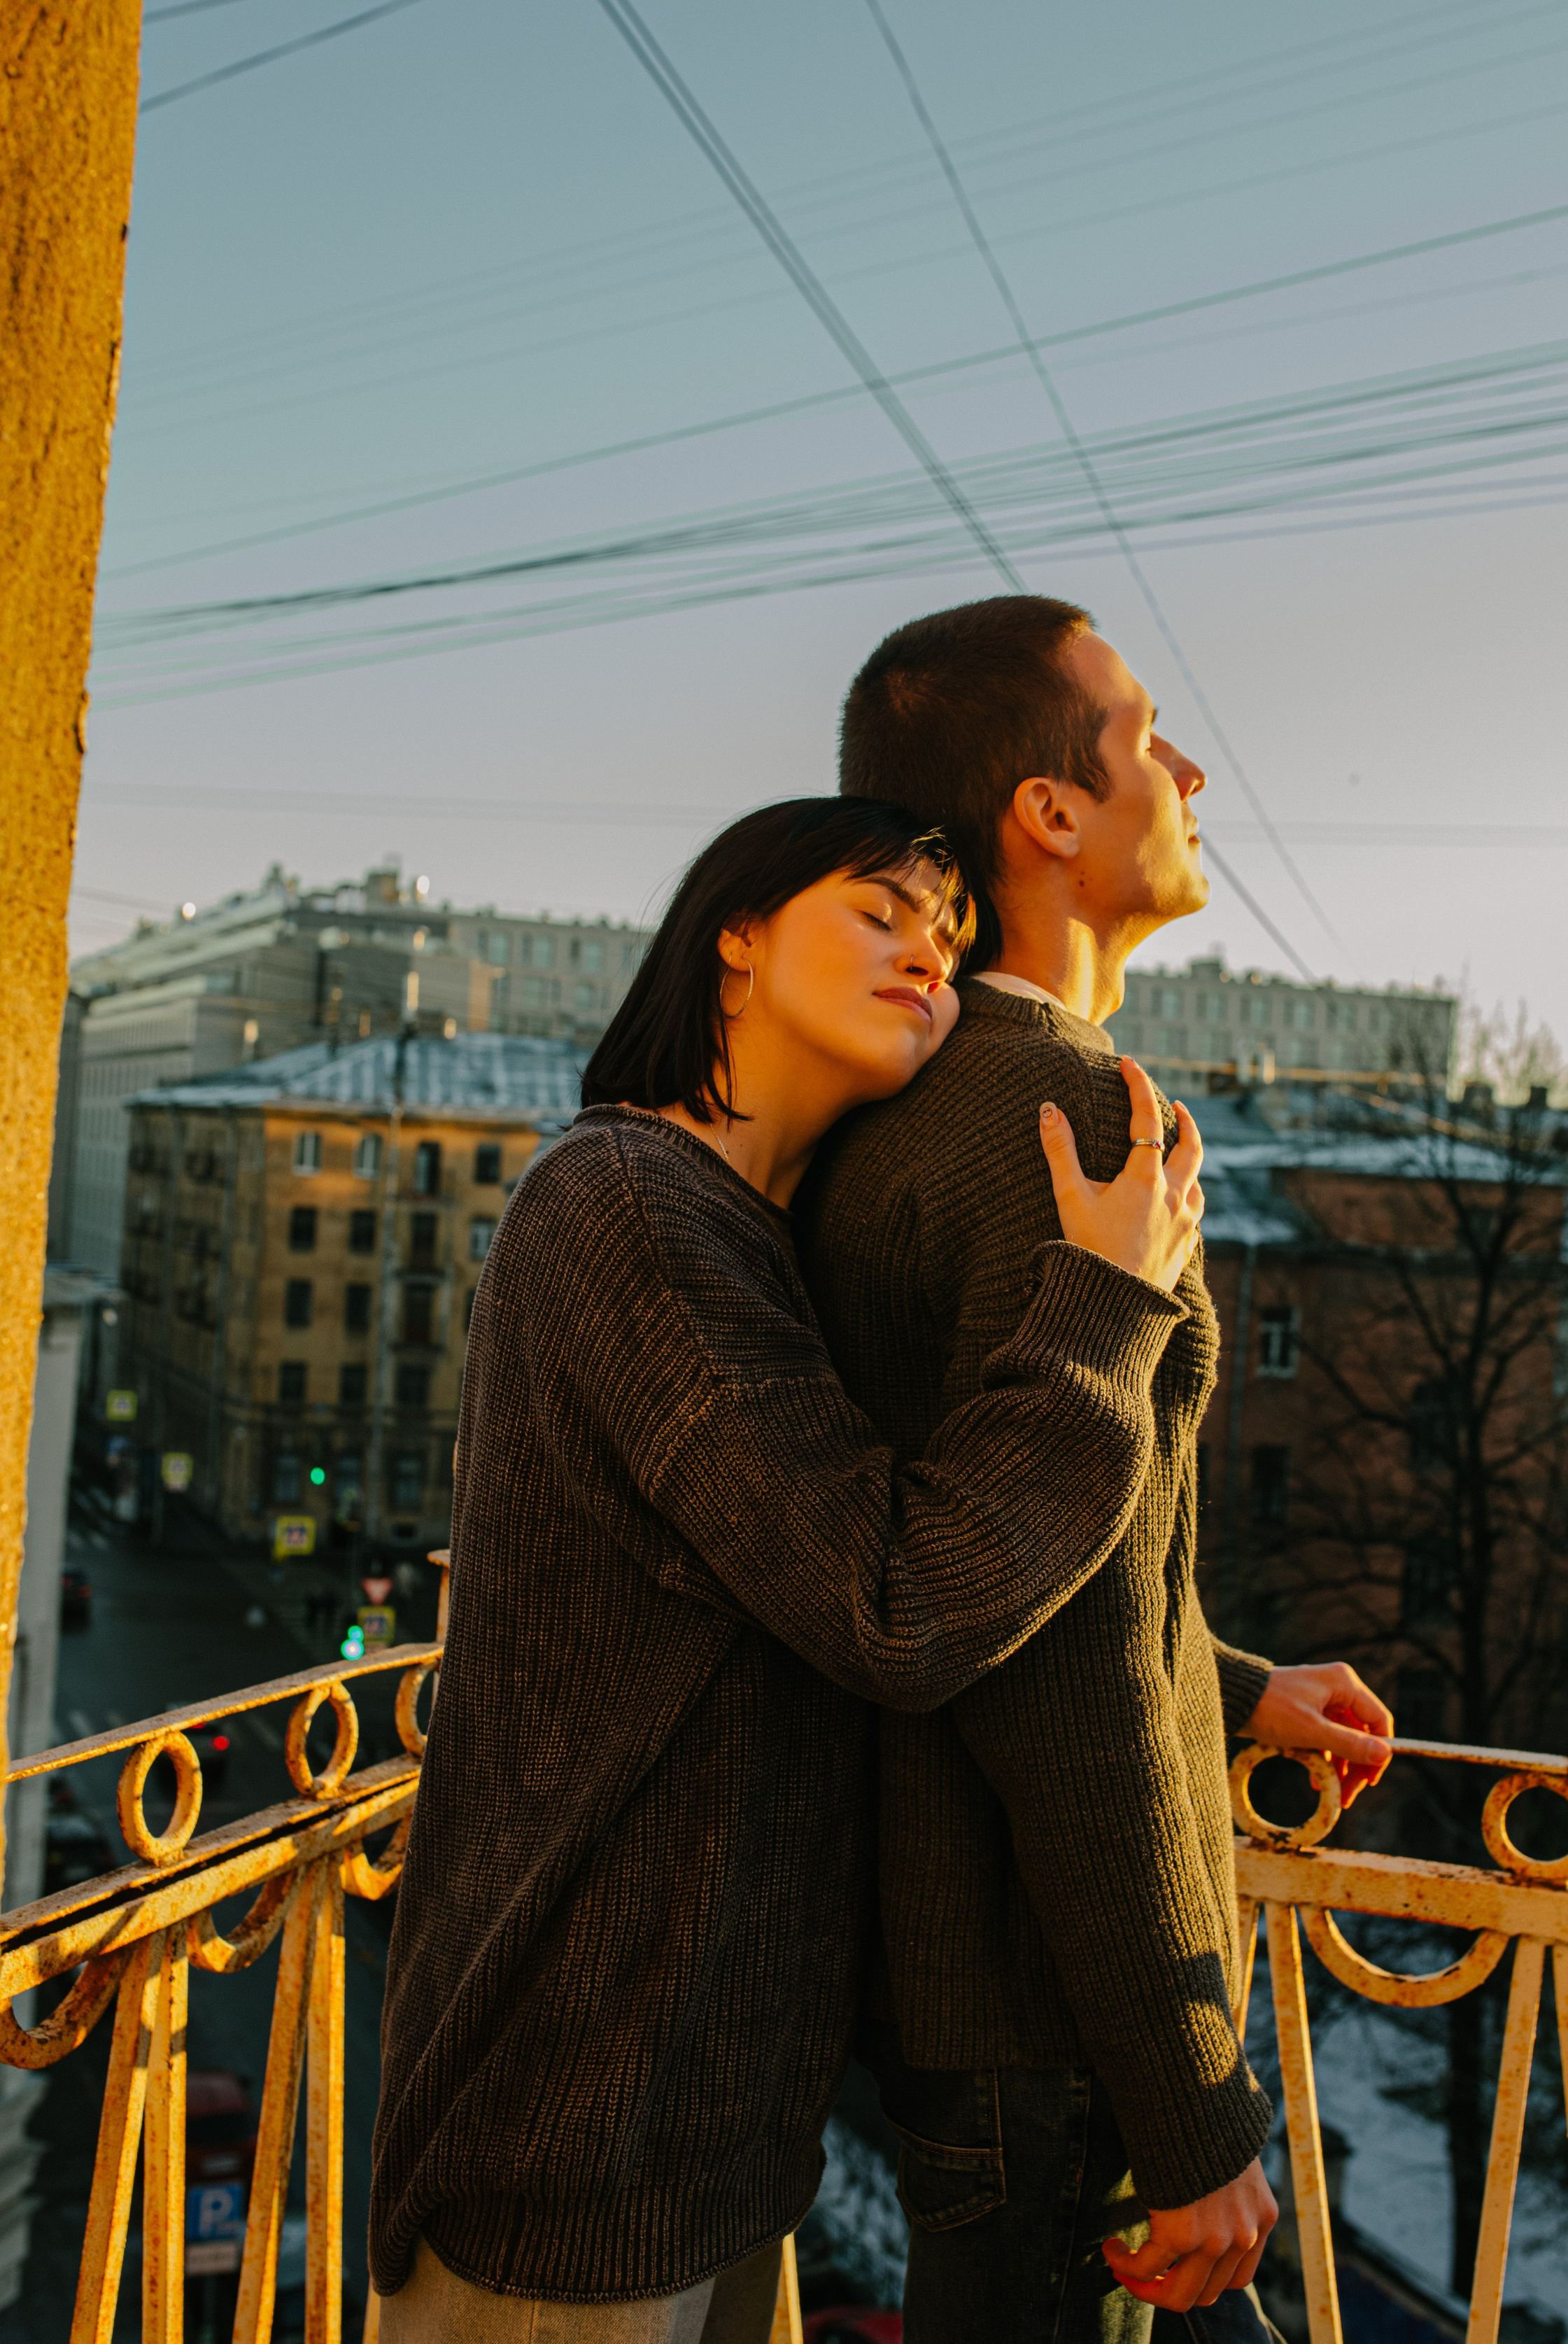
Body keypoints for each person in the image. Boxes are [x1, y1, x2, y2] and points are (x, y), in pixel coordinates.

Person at [370, 795, 1216, 2343]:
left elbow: (849, 1545)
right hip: (575, 2135)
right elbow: (894, 1606)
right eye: (879, 913)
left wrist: (1224, 1675)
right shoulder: (628, 1209)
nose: (928, 957)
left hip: (703, 2126)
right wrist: (1101, 1306)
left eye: (948, 936)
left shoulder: (743, 1231)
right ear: (737, 940)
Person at [801, 598, 1394, 2342]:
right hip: (1054, 2031)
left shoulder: (932, 1105)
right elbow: (1055, 1662)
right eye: (1144, 734)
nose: (1188, 769)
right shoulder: (1064, 1124)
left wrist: (1232, 1684)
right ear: (1049, 813)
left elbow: (1014, 1547)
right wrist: (1189, 2100)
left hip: (989, 2005)